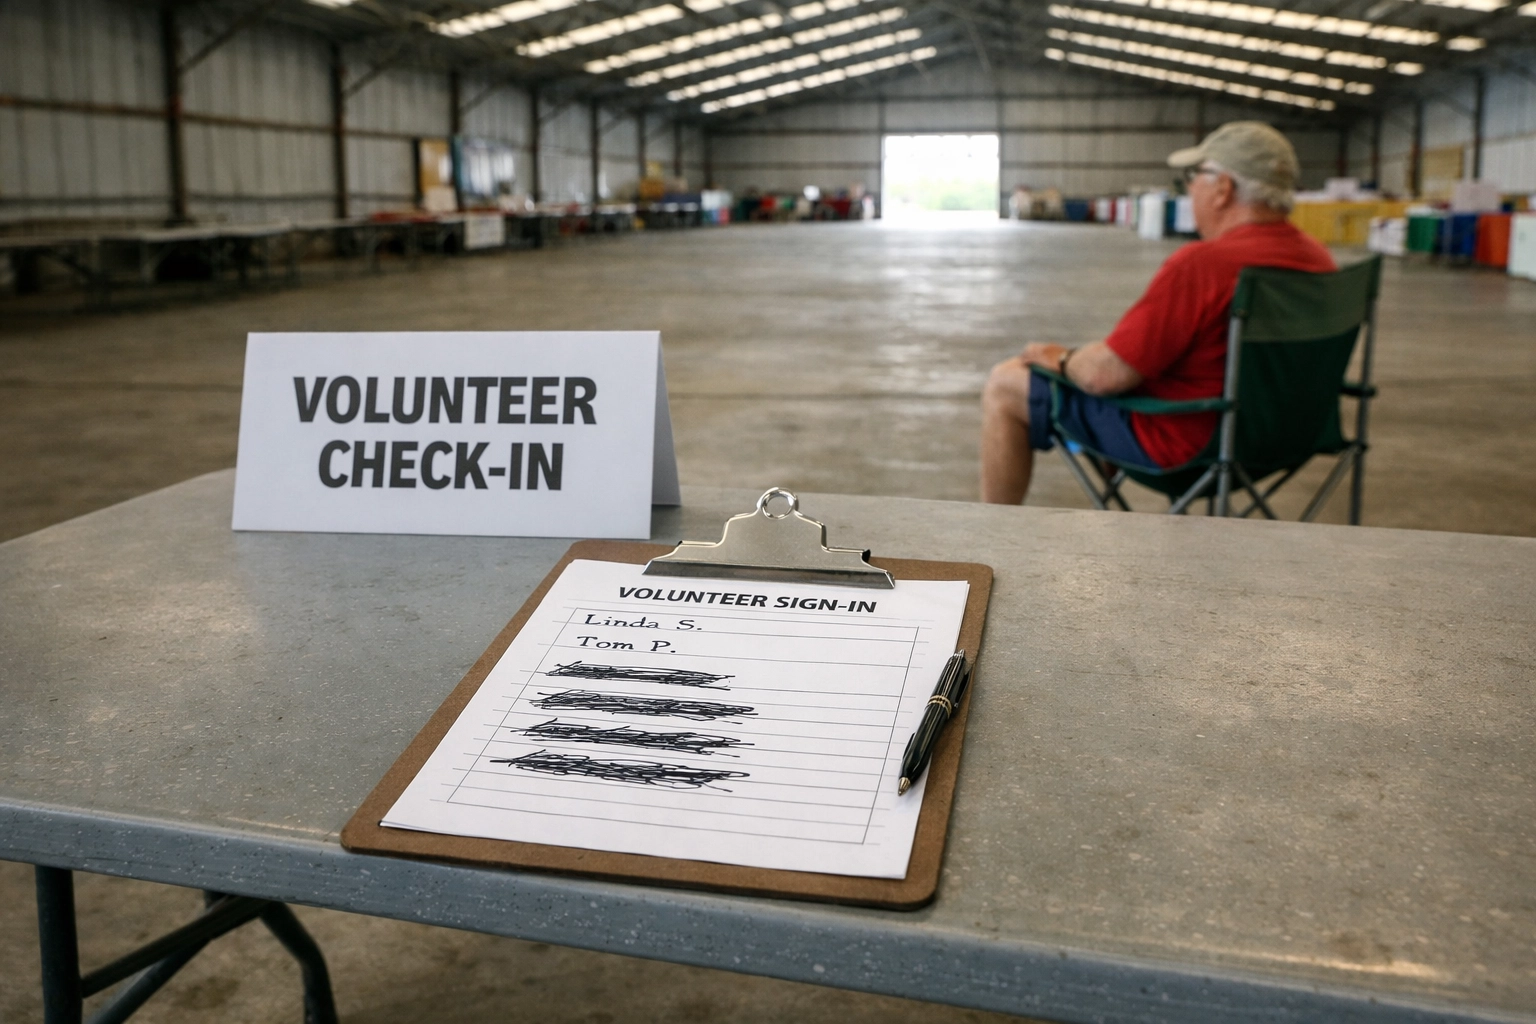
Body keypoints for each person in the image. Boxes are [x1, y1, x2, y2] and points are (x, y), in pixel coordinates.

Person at [979, 121, 1337, 504]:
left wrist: (1063, 359)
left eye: (1194, 176)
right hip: (1288, 441)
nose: (1189, 187)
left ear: (1223, 189)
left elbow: (1105, 375)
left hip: (1190, 450)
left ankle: (993, 536)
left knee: (1006, 383)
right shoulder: (1319, 260)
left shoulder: (1204, 265)